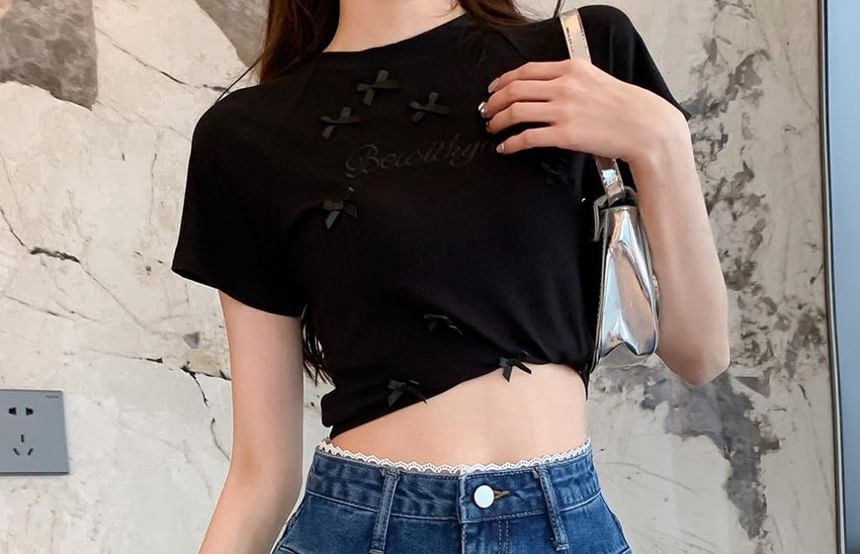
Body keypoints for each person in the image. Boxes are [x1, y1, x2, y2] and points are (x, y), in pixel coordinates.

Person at [170, 1, 731, 552]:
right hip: (359, 526)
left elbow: (700, 353)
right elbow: (260, 476)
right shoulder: (246, 136)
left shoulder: (580, 52)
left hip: (563, 523)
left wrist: (662, 139)